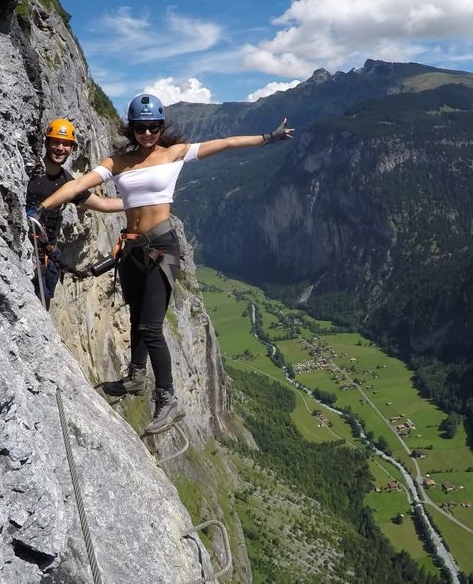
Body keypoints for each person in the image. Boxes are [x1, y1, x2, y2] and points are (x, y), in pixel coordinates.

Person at [31, 94, 294, 434]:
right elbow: (78, 184)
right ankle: (136, 376)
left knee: (151, 328)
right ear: (132, 128)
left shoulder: (174, 154)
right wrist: (42, 208)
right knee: (137, 317)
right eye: (141, 128)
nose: (148, 134)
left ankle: (167, 398)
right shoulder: (117, 162)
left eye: (154, 127)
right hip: (131, 249)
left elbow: (225, 143)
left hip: (161, 248)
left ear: (161, 126)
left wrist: (267, 138)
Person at [26, 118, 122, 309]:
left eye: (66, 144)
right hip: (24, 248)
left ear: (71, 148)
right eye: (55, 142)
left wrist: (140, 201)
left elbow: (102, 203)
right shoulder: (29, 170)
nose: (60, 148)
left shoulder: (67, 183)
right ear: (46, 143)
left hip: (45, 256)